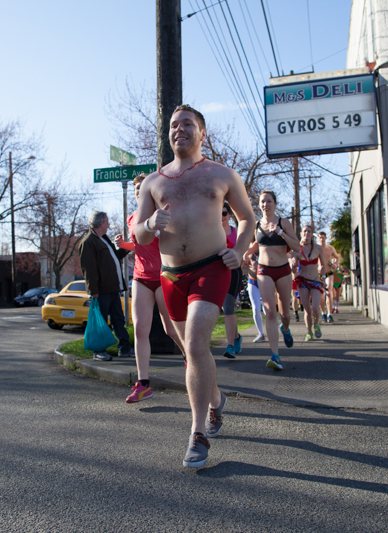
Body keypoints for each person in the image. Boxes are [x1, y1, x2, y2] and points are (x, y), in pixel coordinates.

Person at [135, 104, 255, 469]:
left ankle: (197, 432)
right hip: (172, 277)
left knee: (197, 343)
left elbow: (247, 218)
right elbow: (138, 234)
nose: (179, 130)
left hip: (211, 268)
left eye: (187, 124)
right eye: (174, 125)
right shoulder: (154, 182)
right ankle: (216, 401)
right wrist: (151, 222)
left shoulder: (222, 174)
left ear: (203, 133)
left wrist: (238, 250)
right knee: (192, 352)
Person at [114, 174, 183, 403]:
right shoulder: (132, 218)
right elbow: (140, 243)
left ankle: (191, 357)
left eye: (141, 187)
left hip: (163, 275)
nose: (137, 190)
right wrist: (124, 245)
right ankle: (143, 385)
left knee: (170, 329)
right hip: (140, 277)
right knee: (140, 330)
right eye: (135, 187)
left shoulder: (161, 213)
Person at [243, 191, 300, 371]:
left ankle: (286, 329)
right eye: (262, 202)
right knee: (270, 312)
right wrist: (247, 252)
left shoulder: (284, 222)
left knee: (285, 314)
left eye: (269, 201)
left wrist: (281, 232)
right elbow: (258, 243)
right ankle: (275, 355)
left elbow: (297, 246)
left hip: (283, 271)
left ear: (275, 203)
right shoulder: (257, 224)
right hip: (263, 271)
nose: (265, 204)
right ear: (259, 204)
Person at [78, 211, 134, 361]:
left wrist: (126, 246)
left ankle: (125, 348)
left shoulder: (104, 239)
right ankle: (98, 351)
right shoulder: (88, 242)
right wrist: (93, 291)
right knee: (101, 321)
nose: (109, 225)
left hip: (112, 289)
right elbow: (89, 269)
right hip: (101, 291)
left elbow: (115, 258)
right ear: (101, 223)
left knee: (118, 320)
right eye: (107, 222)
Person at [295, 225, 325, 341]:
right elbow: (293, 268)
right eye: (304, 231)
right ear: (301, 234)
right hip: (303, 281)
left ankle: (316, 324)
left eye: (309, 231)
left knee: (315, 308)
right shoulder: (297, 249)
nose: (307, 233)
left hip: (316, 281)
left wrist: (323, 278)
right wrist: (293, 264)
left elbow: (322, 265)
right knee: (307, 310)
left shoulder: (318, 248)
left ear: (312, 234)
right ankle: (308, 332)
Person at [221, 202, 244, 358]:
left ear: (229, 215)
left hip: (234, 272)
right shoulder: (210, 232)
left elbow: (242, 254)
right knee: (224, 308)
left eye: (224, 213)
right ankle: (236, 337)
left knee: (228, 307)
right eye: (218, 213)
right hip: (216, 273)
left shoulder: (237, 233)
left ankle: (230, 346)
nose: (221, 217)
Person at [317, 231, 340, 323]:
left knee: (329, 293)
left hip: (329, 273)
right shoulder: (315, 248)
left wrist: (335, 264)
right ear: (318, 239)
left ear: (326, 238)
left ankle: (330, 314)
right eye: (320, 237)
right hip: (318, 274)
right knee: (320, 295)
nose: (322, 239)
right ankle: (323, 313)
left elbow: (337, 257)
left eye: (323, 237)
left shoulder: (330, 248)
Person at [245, 251, 265, 343]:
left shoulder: (265, 246)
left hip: (265, 281)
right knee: (256, 308)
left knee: (267, 309)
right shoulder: (248, 250)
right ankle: (261, 334)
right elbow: (243, 265)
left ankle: (273, 329)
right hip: (252, 281)